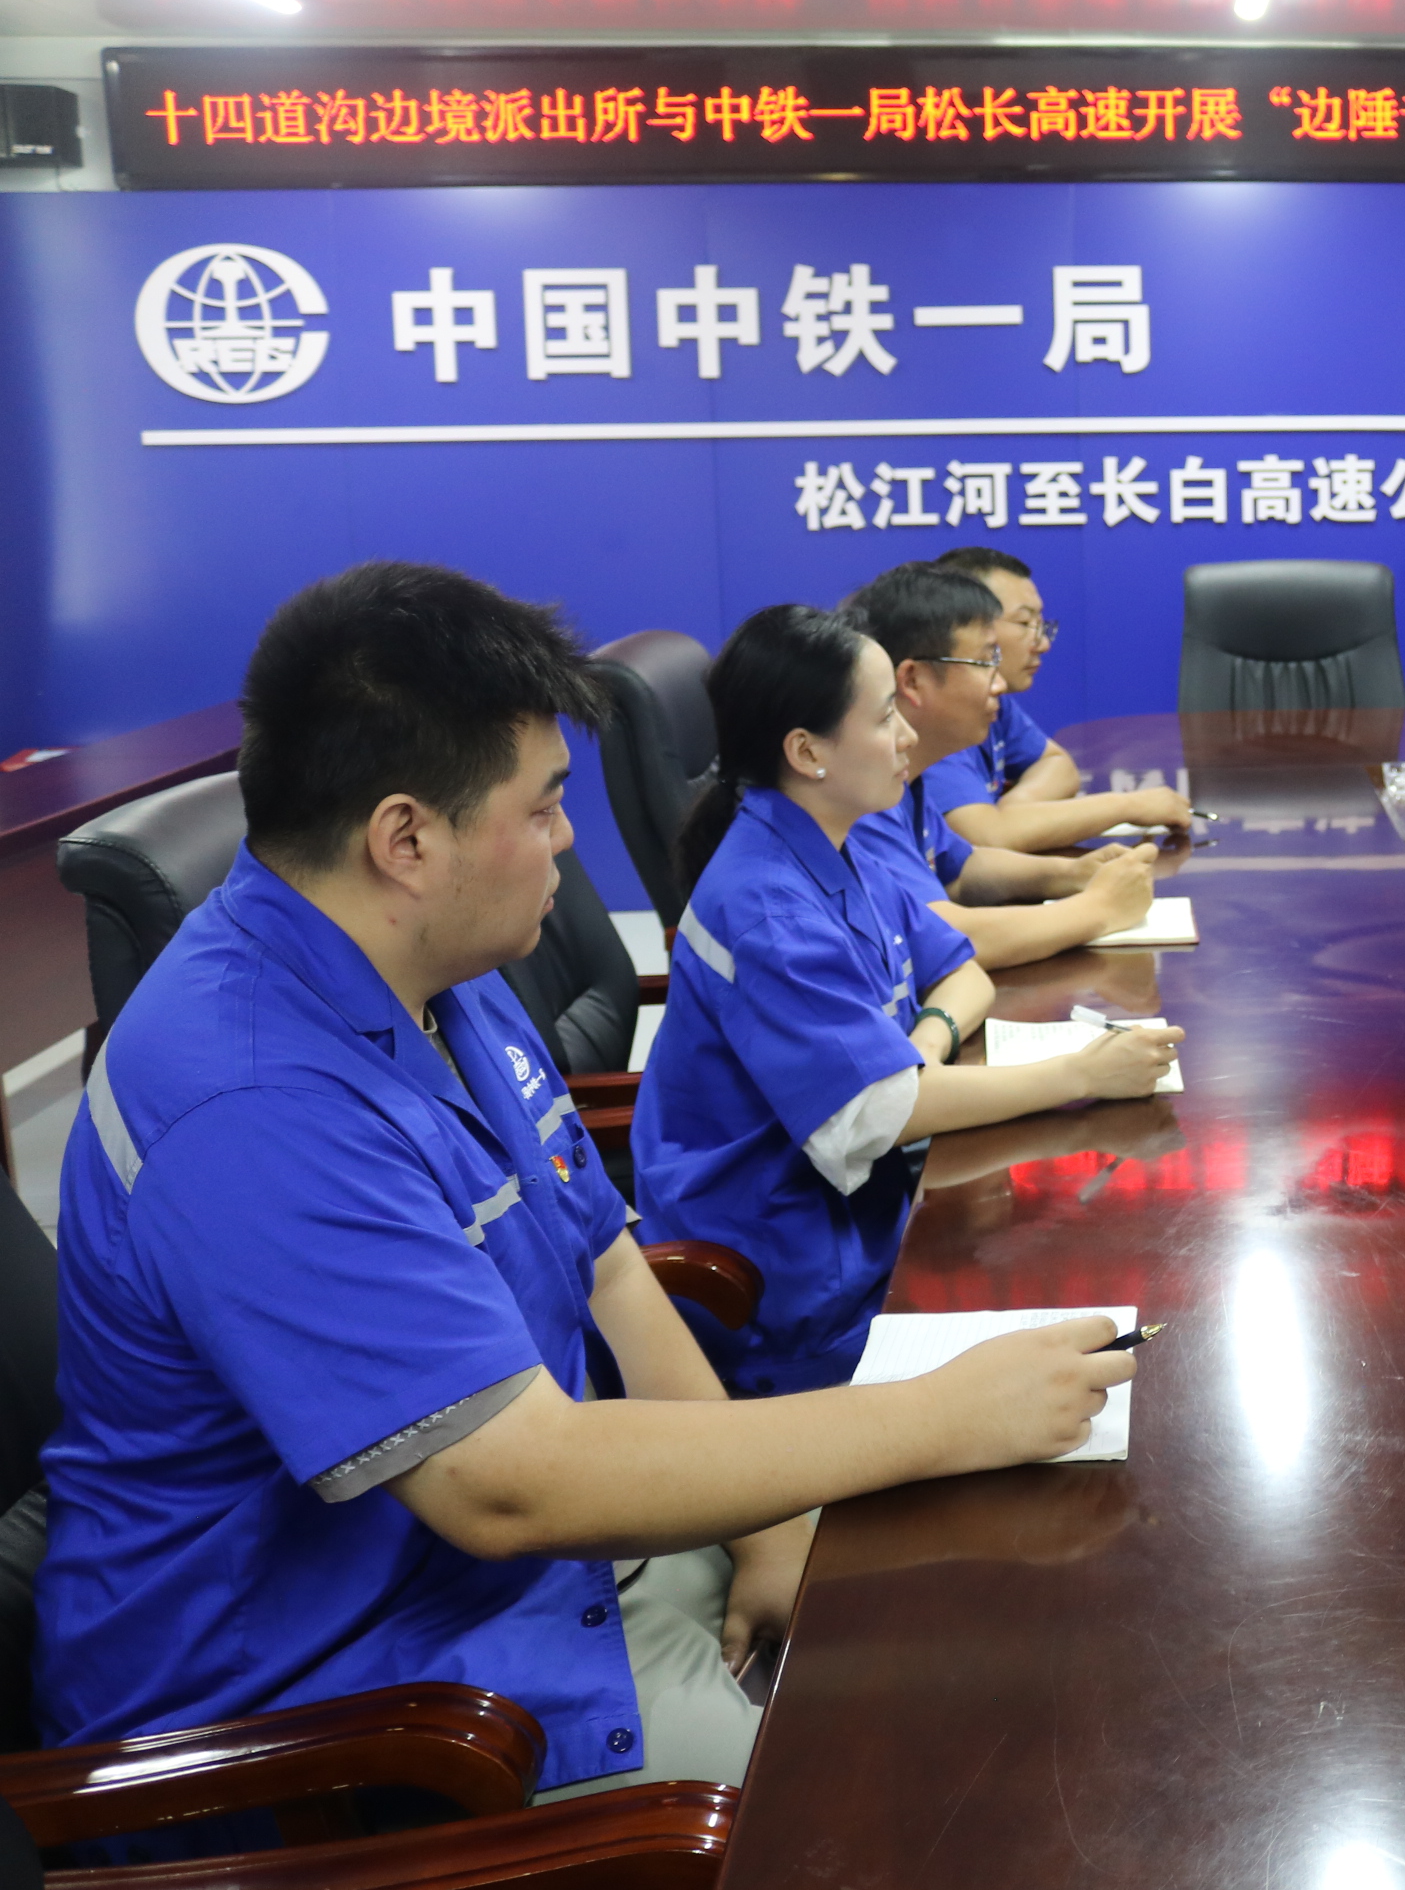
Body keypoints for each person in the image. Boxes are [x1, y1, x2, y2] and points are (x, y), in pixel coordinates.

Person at [40, 563, 1138, 1805]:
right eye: (546, 805)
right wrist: (943, 1416)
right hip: (359, 1697)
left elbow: (607, 1266)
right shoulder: (250, 1101)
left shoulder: (433, 970)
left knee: (979, 1620)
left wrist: (772, 1532)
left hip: (544, 1573)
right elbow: (510, 1486)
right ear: (407, 839)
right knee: (922, 1778)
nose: (571, 838)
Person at [630, 604, 1179, 1397]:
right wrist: (1082, 1074)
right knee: (1101, 1351)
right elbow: (876, 1113)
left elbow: (964, 972)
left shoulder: (834, 843)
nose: (908, 736)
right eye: (886, 715)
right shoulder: (769, 907)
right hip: (792, 1283)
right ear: (806, 751)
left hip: (871, 1213)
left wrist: (922, 1047)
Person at [836, 563, 1158, 967]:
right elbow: (943, 938)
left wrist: (1073, 873)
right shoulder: (857, 792)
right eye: (985, 661)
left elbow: (962, 868)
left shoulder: (904, 777)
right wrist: (1099, 908)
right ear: (913, 680)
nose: (1000, 683)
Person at [928, 547, 1194, 853]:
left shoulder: (994, 698)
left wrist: (1015, 811)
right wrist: (1129, 805)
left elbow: (1057, 765)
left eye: (1041, 625)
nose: (1043, 644)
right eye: (1024, 624)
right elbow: (987, 839)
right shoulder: (934, 717)